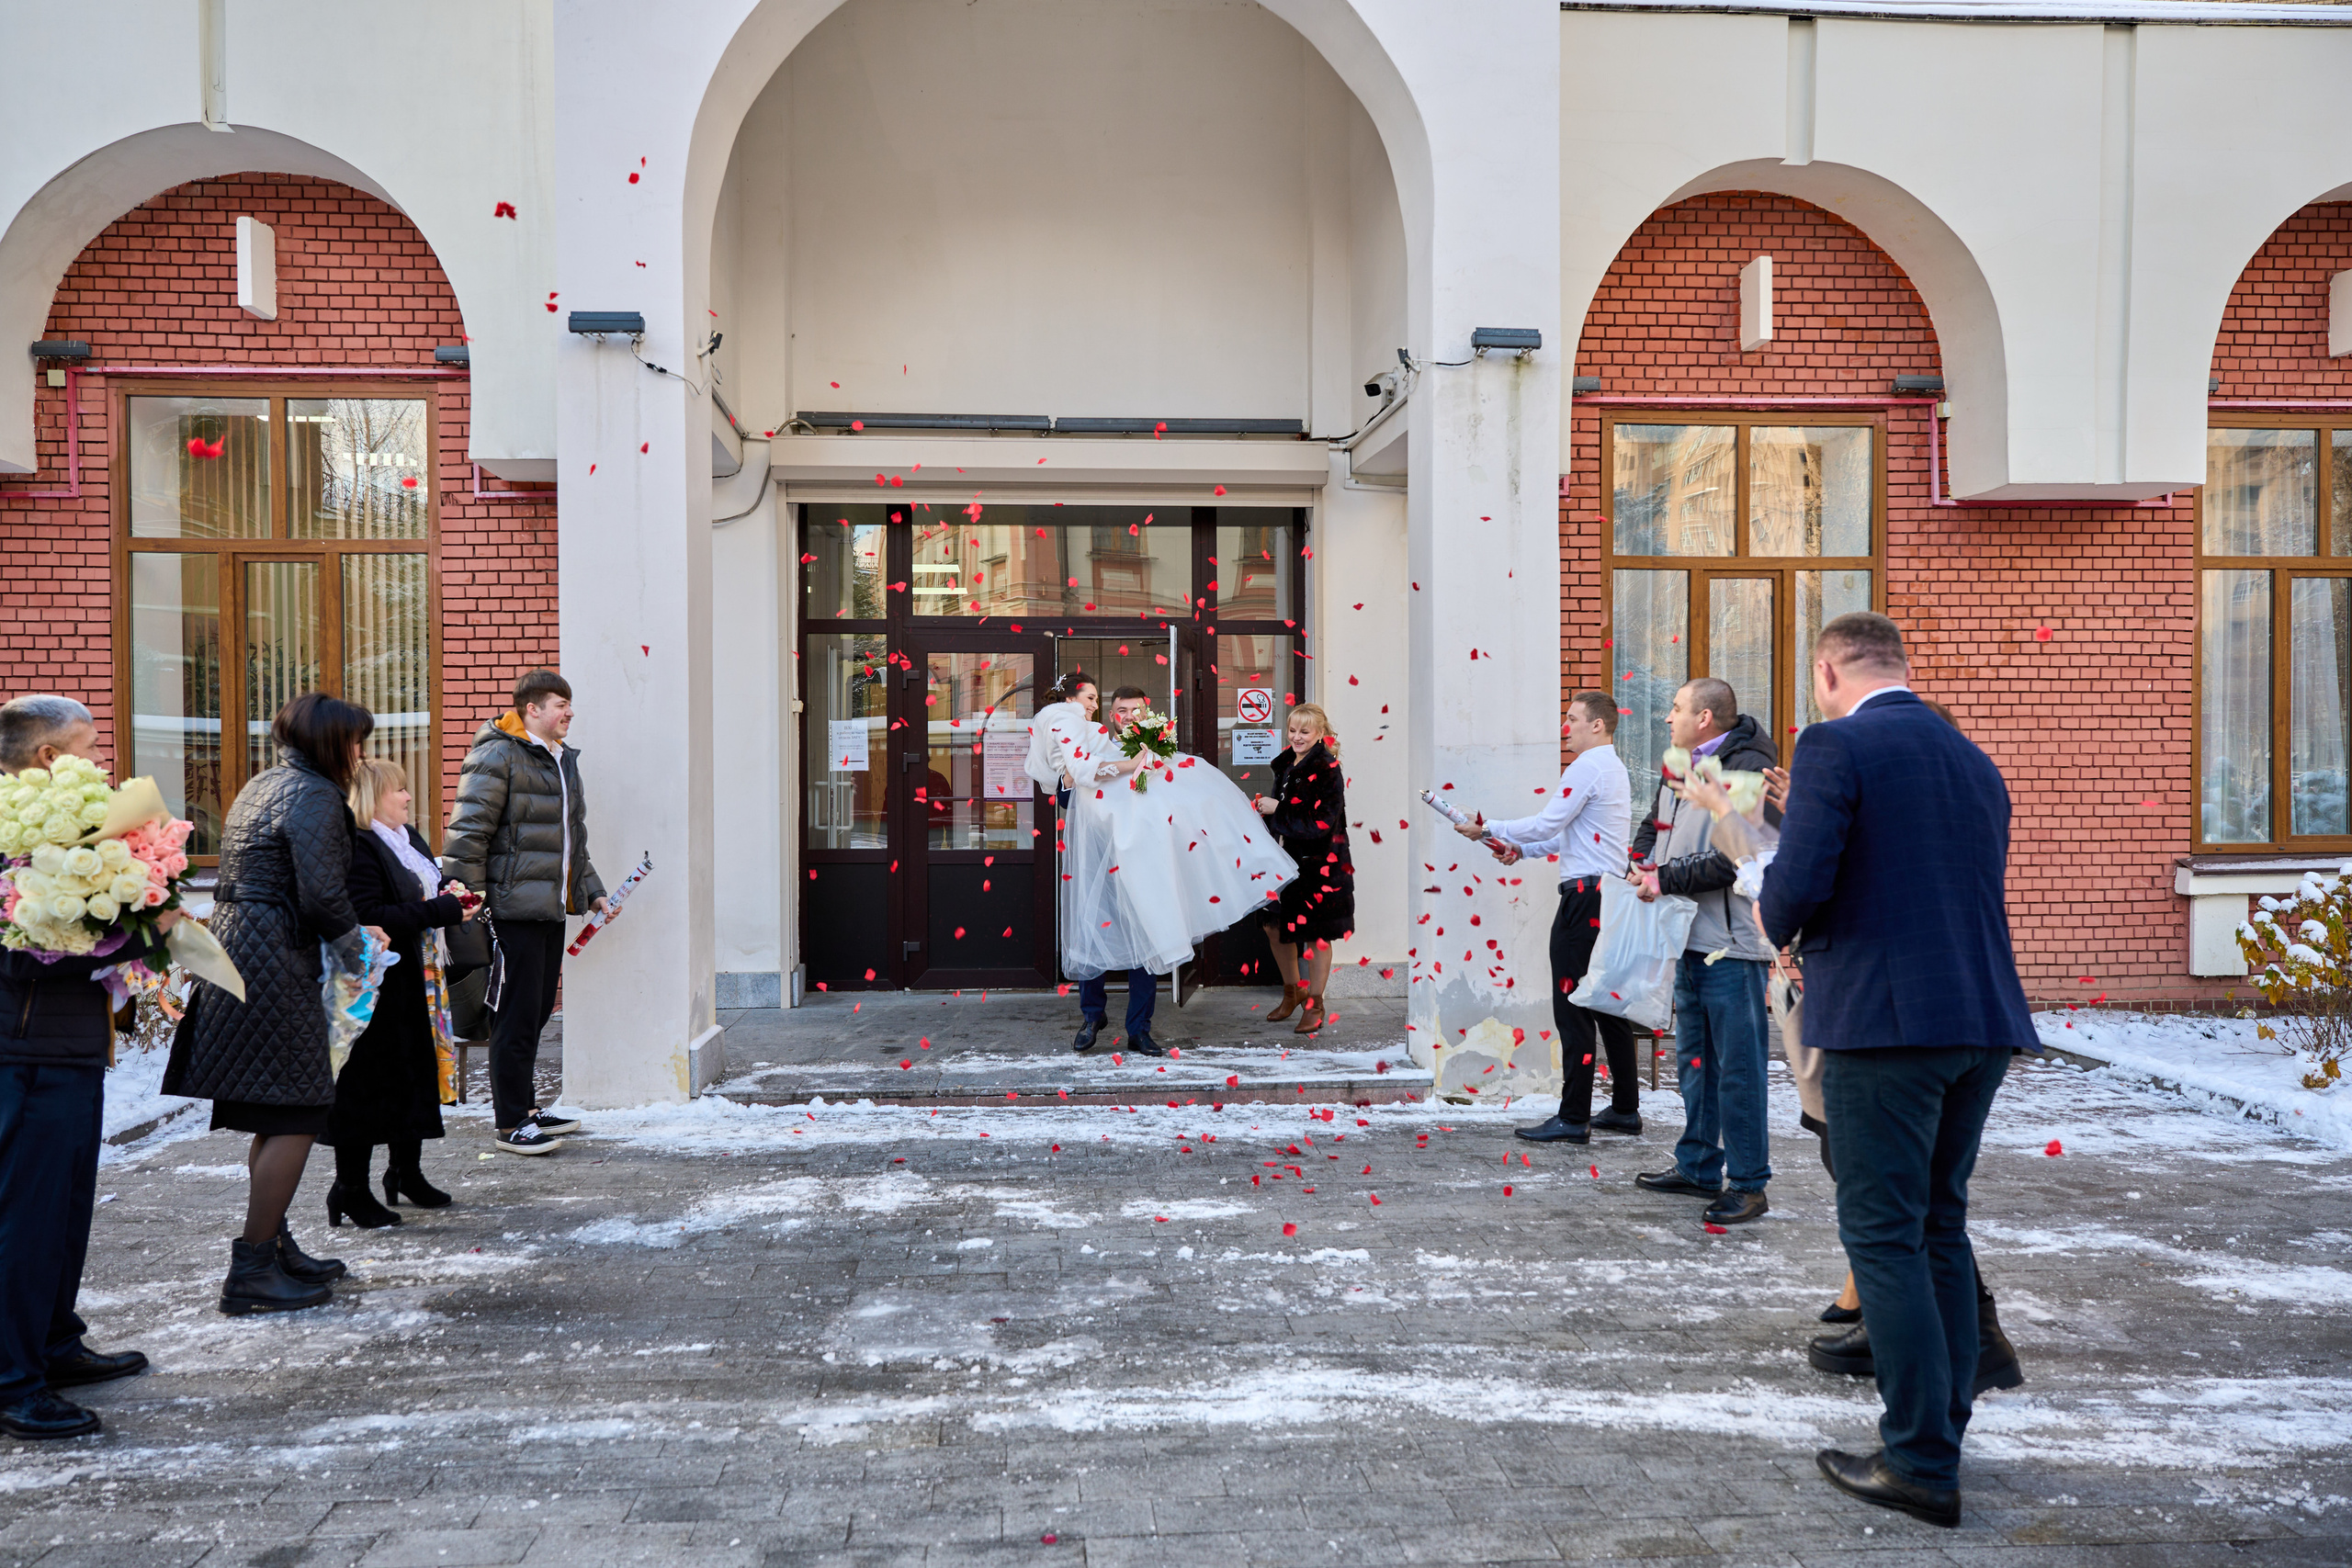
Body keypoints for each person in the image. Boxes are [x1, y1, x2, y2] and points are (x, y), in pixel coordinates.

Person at [1759, 611, 2036, 1529]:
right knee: (1938, 1227)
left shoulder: (1835, 747)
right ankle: (1942, 1429)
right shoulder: (1972, 758)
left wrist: (1783, 914)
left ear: (1831, 670)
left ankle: (1919, 1460)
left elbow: (1795, 886)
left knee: (1881, 1236)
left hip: (1884, 1024)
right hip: (1980, 1020)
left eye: (1815, 681)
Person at [166, 693, 376, 1316]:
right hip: (274, 958)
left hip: (241, 949)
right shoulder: (314, 795)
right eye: (357, 740)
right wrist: (355, 948)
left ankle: (273, 1243)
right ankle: (252, 1266)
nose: (363, 753)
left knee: (275, 1105)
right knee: (298, 1110)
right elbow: (321, 892)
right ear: (331, 742)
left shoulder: (268, 782)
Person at [0, 696, 171, 1439]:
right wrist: (138, 934)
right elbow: (31, 946)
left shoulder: (58, 827)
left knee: (65, 1212)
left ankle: (54, 1343)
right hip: (24, 1051)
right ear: (46, 757)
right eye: (86, 747)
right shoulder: (14, 836)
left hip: (68, 1046)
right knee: (25, 1220)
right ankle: (13, 1379)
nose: (97, 763)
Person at [1027, 677, 1295, 1056]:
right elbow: (1069, 800)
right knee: (1093, 936)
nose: (1126, 716)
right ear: (1112, 714)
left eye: (1134, 710)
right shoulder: (1091, 740)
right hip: (1098, 863)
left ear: (1146, 712)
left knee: (1150, 938)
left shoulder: (1159, 751)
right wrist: (1079, 779)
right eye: (1119, 710)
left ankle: (1139, 1028)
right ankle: (1092, 1018)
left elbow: (1176, 804)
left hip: (1145, 864)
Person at [1627, 677, 1779, 1227]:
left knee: (1737, 1069)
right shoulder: (1680, 761)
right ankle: (1697, 1166)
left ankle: (1748, 1183)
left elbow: (1734, 858)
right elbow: (1652, 826)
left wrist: (1663, 878)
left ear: (1707, 718)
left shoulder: (1749, 769)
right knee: (1694, 1064)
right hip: (1687, 936)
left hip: (1732, 946)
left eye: (1675, 709)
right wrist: (1640, 861)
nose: (1667, 718)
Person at [441, 670, 611, 1156]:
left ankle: (528, 1109)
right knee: (514, 1016)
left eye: (569, 704)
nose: (569, 712)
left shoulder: (560, 760)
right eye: (560, 704)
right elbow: (467, 835)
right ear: (531, 709)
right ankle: (510, 1121)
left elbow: (569, 841)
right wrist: (468, 903)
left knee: (536, 1011)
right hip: (510, 909)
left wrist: (592, 891)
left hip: (548, 908)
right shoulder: (498, 754)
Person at [1455, 690, 1637, 1143]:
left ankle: (1574, 1117)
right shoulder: (1611, 767)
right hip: (1606, 895)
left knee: (1573, 1005)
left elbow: (1547, 824)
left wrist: (1490, 828)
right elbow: (1569, 838)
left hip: (1584, 899)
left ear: (1597, 725)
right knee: (1606, 1003)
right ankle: (1625, 1109)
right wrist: (1522, 850)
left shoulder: (1588, 766)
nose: (1566, 727)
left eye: (1573, 719)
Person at [327, 758, 476, 1227]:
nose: (408, 798)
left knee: (412, 1074)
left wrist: (453, 895)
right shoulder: (359, 844)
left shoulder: (406, 839)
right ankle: (349, 1188)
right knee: (368, 1084)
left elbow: (420, 892)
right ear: (373, 797)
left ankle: (404, 1173)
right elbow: (372, 915)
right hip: (375, 983)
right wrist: (441, 909)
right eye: (399, 791)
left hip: (419, 975)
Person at [1251, 703, 1353, 1035]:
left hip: (1318, 865)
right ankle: (1292, 991)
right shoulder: (1287, 764)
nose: (1296, 737)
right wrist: (1265, 811)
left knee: (1316, 936)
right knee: (1272, 926)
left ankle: (1315, 1002)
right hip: (1283, 860)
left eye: (1304, 732)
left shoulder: (1327, 769)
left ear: (1320, 734)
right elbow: (1285, 812)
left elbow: (1321, 823)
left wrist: (1277, 809)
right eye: (1292, 730)